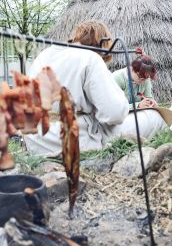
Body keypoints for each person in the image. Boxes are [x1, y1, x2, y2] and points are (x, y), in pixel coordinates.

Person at [23, 21, 129, 156]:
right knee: (153, 118)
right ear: (103, 43)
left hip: (36, 140)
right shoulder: (90, 57)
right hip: (70, 139)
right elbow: (115, 113)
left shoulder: (44, 54)